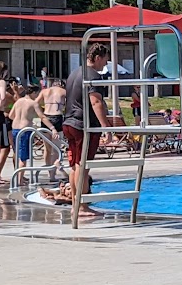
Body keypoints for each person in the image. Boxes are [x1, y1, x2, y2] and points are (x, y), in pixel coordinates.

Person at [63, 43, 112, 216]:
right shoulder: (93, 76)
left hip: (69, 123)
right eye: (105, 61)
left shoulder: (74, 73)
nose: (105, 66)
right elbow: (96, 102)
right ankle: (82, 207)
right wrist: (106, 127)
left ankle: (75, 205)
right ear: (97, 58)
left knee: (75, 166)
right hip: (84, 125)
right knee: (83, 167)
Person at [9, 85, 59, 182]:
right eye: (37, 94)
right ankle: (19, 181)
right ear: (34, 93)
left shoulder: (19, 101)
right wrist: (52, 128)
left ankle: (19, 178)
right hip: (24, 130)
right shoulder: (33, 103)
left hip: (15, 129)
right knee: (23, 157)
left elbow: (11, 115)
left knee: (18, 154)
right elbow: (43, 117)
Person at [37, 78, 67, 177]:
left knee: (47, 148)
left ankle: (49, 171)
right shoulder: (63, 91)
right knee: (56, 148)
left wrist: (41, 113)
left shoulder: (44, 91)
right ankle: (52, 175)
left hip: (45, 118)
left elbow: (35, 103)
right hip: (57, 117)